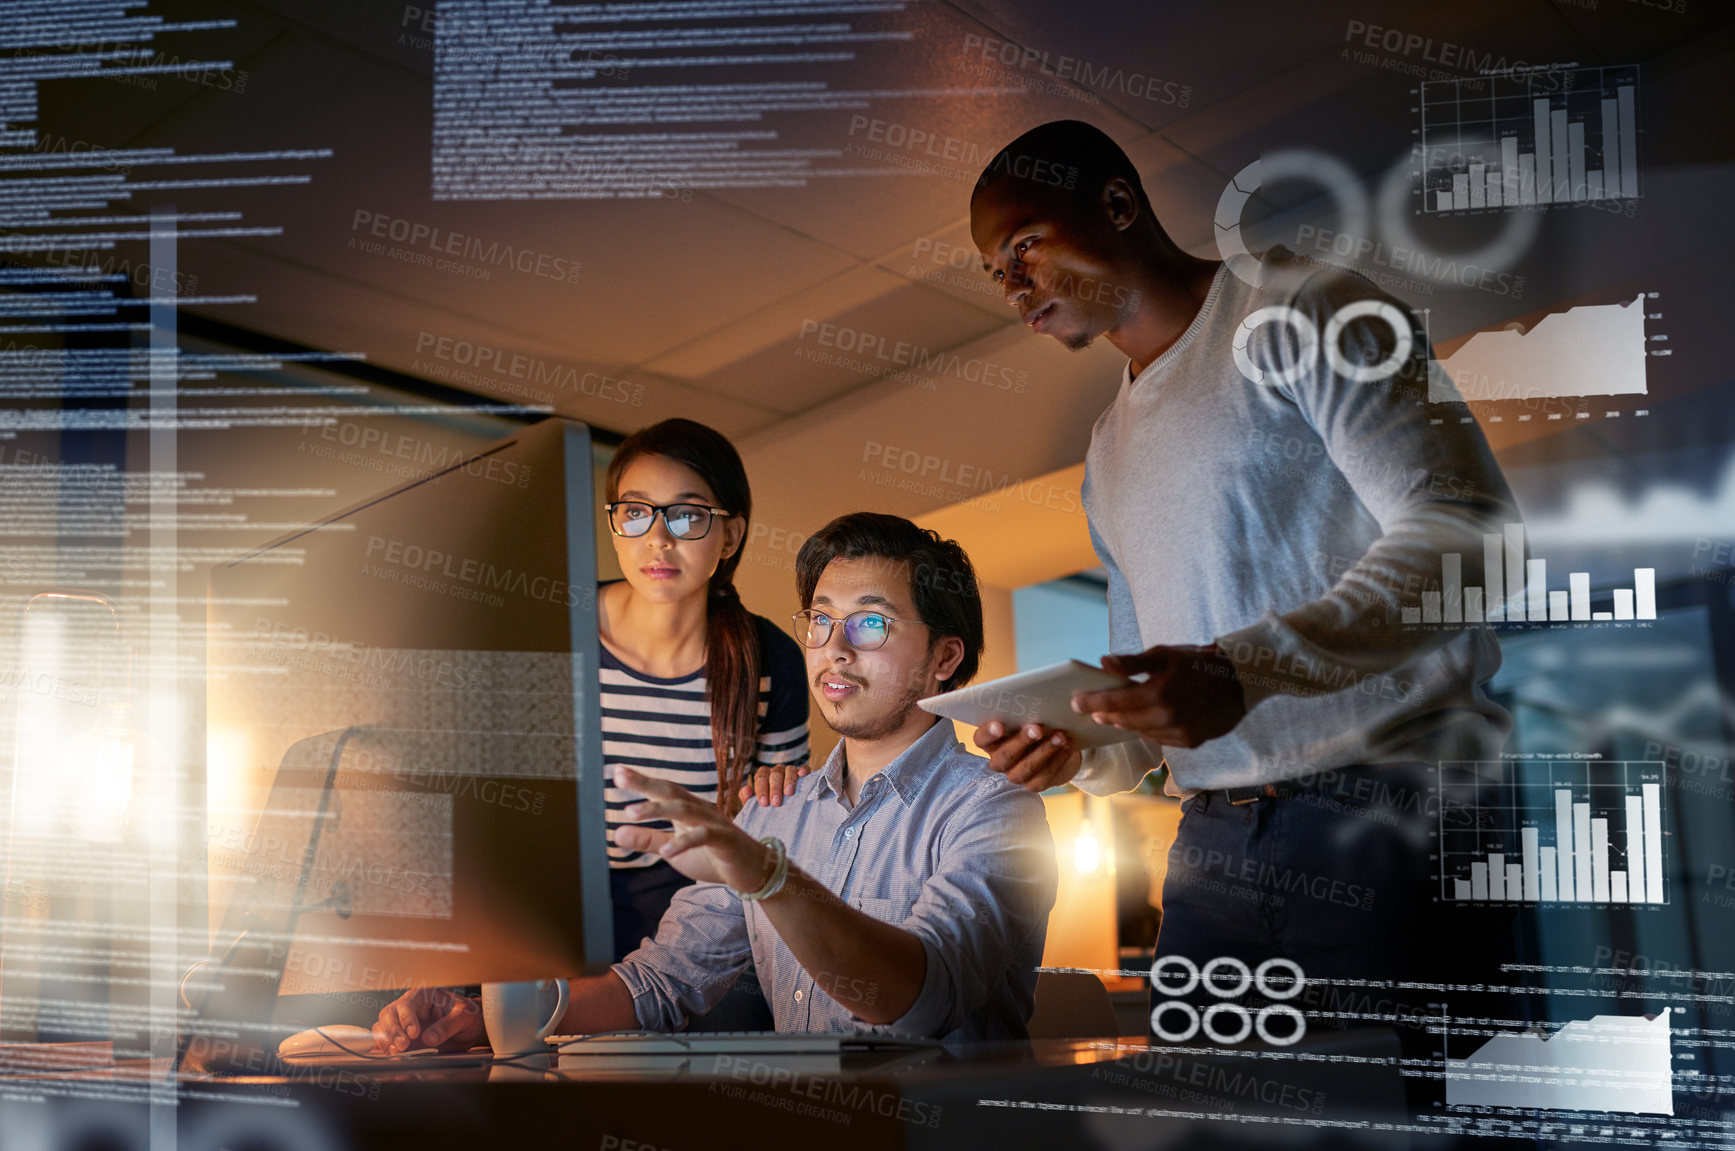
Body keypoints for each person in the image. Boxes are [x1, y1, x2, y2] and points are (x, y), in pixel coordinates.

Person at [967, 121, 1519, 1052]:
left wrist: (1244, 668)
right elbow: (1153, 695)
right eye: (995, 272)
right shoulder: (1105, 447)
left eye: (1023, 246)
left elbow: (1466, 539)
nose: (1013, 286)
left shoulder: (1306, 306)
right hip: (1212, 851)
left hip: (1387, 814)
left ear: (1115, 204)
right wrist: (1082, 750)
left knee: (1417, 1125)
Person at [373, 513, 1056, 1049]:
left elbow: (920, 1000)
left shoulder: (996, 809)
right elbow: (663, 983)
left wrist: (769, 878)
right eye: (819, 618)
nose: (834, 646)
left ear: (944, 656)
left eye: (870, 621)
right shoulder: (772, 814)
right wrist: (490, 1011)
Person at [596, 418, 810, 964]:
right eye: (636, 512)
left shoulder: (771, 661)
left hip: (695, 928)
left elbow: (775, 843)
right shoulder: (554, 628)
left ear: (731, 535)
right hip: (552, 911)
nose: (658, 539)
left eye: (688, 515)